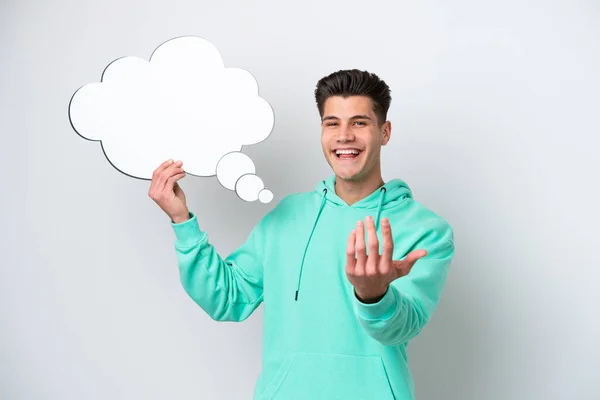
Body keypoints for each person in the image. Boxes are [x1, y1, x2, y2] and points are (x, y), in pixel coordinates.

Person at [148, 69, 455, 400]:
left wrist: (374, 295)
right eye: (332, 123)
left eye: (359, 123)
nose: (344, 135)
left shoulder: (427, 230)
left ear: (385, 131)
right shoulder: (287, 216)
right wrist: (182, 220)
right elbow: (228, 299)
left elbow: (403, 327)